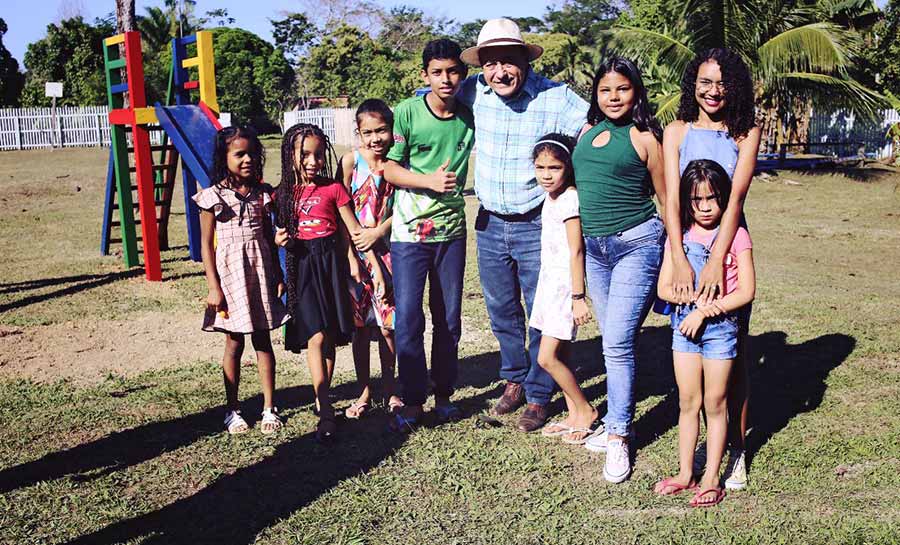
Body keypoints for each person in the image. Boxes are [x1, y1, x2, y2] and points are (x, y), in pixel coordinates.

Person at [458, 18, 589, 432]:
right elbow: (432, 103)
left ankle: (538, 394)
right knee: (501, 310)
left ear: (524, 61)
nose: (501, 72)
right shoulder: (473, 91)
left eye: (508, 61)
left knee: (545, 312)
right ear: (481, 67)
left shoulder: (556, 97)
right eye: (491, 63)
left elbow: (592, 134)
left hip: (538, 224)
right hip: (490, 222)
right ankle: (513, 380)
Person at [662, 48, 761, 490]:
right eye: (705, 81)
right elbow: (671, 201)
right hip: (684, 246)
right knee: (689, 371)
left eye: (722, 82)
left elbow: (735, 200)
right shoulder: (677, 131)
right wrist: (680, 259)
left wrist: (717, 260)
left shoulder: (745, 133)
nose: (713, 90)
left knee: (731, 363)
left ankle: (734, 452)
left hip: (726, 245)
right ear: (693, 84)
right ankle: (689, 468)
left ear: (734, 86)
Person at [573, 56, 666, 483]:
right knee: (613, 342)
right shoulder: (585, 133)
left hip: (638, 245)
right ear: (596, 93)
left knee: (617, 343)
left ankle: (618, 436)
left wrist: (679, 259)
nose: (614, 97)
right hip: (595, 251)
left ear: (637, 92)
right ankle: (616, 421)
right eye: (606, 89)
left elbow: (667, 200)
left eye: (623, 89)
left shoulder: (644, 137)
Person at [382, 39, 475, 432]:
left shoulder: (470, 116)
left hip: (451, 233)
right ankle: (414, 399)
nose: (445, 79)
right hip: (408, 234)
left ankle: (444, 396)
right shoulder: (406, 112)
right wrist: (429, 181)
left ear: (462, 74)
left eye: (453, 71)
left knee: (448, 319)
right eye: (437, 72)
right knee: (408, 319)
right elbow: (388, 168)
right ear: (425, 75)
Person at [274, 123, 385, 442]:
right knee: (316, 335)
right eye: (304, 154)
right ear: (289, 155)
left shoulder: (334, 190)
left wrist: (370, 265)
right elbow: (269, 236)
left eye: (318, 154)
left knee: (330, 335)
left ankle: (323, 402)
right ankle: (325, 408)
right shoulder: (279, 194)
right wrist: (278, 239)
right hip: (302, 266)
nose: (312, 161)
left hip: (330, 266)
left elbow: (352, 231)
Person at [655, 159, 756, 507]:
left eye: (712, 198)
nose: (705, 207)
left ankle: (712, 476)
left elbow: (746, 292)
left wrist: (705, 310)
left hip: (720, 330)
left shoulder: (736, 236)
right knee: (688, 402)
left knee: (715, 403)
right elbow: (664, 288)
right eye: (697, 200)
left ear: (724, 198)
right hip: (684, 330)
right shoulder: (680, 237)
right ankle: (686, 472)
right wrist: (689, 303)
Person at [193, 125, 290, 435]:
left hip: (260, 274)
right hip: (230, 278)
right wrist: (213, 286)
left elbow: (268, 237)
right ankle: (232, 409)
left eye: (251, 153)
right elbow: (206, 246)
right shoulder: (213, 197)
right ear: (225, 157)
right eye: (239, 154)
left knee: (263, 340)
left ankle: (268, 407)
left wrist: (277, 274)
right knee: (234, 342)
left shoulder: (264, 195)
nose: (247, 159)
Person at [526, 133, 597, 445]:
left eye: (553, 167)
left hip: (564, 289)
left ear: (567, 167)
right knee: (563, 354)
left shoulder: (569, 198)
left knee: (546, 358)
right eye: (540, 167)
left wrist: (578, 297)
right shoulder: (551, 196)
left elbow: (576, 250)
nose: (546, 174)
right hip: (548, 283)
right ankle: (573, 415)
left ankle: (586, 411)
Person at [338, 99, 402, 419]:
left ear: (391, 130)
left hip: (391, 253)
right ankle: (363, 392)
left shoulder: (398, 162)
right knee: (360, 328)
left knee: (389, 327)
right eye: (368, 132)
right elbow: (341, 209)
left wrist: (378, 234)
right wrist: (352, 255)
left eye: (382, 130)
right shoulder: (351, 162)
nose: (376, 138)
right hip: (356, 260)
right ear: (359, 134)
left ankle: (391, 390)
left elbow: (405, 207)